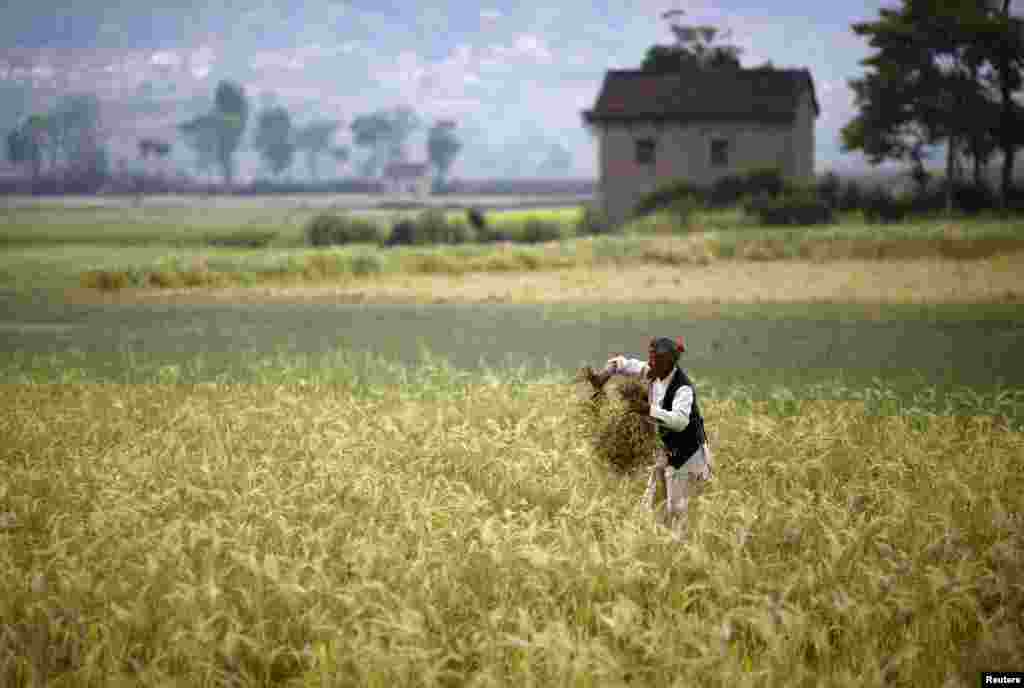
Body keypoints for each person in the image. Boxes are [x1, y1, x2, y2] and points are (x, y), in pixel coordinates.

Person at [583, 336, 712, 537]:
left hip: (688, 457)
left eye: (655, 360)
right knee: (649, 504)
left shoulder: (682, 388)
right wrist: (602, 376)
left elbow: (680, 421)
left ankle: (678, 550)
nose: (649, 364)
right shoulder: (654, 373)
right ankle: (651, 541)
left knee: (676, 512)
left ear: (668, 361)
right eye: (649, 358)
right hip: (667, 451)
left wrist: (648, 410)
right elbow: (623, 364)